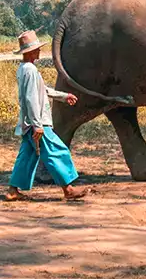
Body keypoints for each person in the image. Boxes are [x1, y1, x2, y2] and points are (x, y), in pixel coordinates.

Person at [5, 30, 88, 201]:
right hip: (37, 122)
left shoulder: (26, 69)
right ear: (29, 51)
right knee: (57, 151)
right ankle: (68, 189)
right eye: (36, 49)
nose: (39, 51)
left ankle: (13, 190)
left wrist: (64, 96)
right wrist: (38, 125)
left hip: (29, 123)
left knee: (27, 156)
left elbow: (43, 91)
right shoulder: (29, 70)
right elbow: (30, 98)